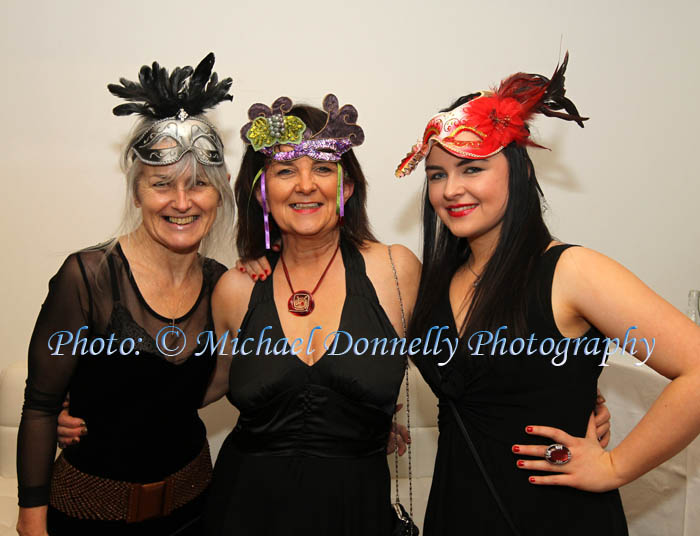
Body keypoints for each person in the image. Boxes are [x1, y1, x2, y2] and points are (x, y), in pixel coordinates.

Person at [397, 53, 700, 535]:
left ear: (516, 172)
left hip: (555, 517)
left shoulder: (570, 270)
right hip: (459, 509)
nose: (450, 189)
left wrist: (615, 466)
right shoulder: (434, 281)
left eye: (471, 168)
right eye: (437, 174)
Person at [16, 53, 235, 536]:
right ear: (137, 192)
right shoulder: (87, 276)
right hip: (87, 517)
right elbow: (39, 405)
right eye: (162, 185)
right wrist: (32, 517)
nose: (182, 202)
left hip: (195, 510)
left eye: (199, 185)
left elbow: (225, 382)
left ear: (218, 196)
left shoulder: (225, 284)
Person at [201, 94, 422, 536]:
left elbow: (470, 359)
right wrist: (93, 404)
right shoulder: (235, 288)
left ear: (348, 186)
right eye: (285, 170)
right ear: (261, 192)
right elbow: (199, 384)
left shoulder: (396, 270)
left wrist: (575, 401)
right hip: (244, 510)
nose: (306, 185)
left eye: (323, 168)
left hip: (355, 512)